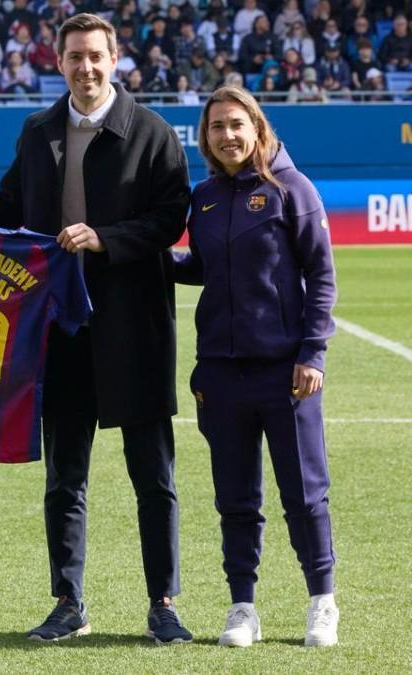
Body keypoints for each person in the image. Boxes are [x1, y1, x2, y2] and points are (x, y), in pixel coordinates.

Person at [0, 13, 193, 645]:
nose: (85, 68)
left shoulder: (153, 133)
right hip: (57, 332)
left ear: (114, 59)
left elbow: (171, 218)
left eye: (95, 56)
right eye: (73, 57)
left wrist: (105, 240)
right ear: (57, 62)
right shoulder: (38, 131)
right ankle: (68, 602)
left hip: (134, 331)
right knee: (65, 477)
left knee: (155, 477)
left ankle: (163, 602)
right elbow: (15, 203)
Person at [173, 86, 338, 649]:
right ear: (206, 137)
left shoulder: (293, 189)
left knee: (304, 494)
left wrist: (312, 353)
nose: (227, 136)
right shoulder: (206, 196)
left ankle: (322, 601)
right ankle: (242, 607)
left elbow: (321, 275)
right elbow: (203, 266)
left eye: (236, 124)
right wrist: (152, 256)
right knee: (236, 499)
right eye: (216, 127)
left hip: (285, 373)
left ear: (258, 127)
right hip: (220, 373)